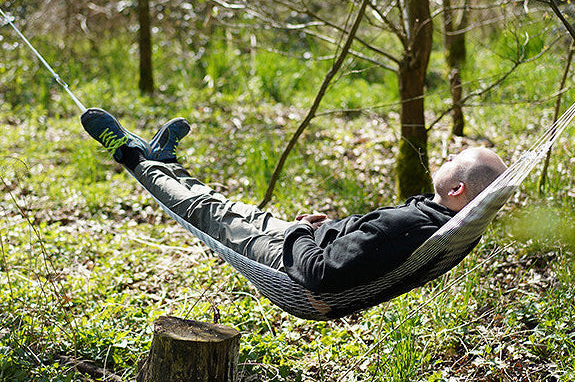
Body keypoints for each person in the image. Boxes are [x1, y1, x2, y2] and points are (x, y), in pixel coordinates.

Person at [81, 108, 507, 297]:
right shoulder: (440, 221)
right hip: (302, 240)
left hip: (287, 262)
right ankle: (166, 162)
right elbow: (358, 251)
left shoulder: (410, 227)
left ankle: (132, 156)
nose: (445, 158)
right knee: (219, 205)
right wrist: (323, 228)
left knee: (204, 213)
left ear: (458, 190)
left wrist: (302, 230)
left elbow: (320, 274)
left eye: (453, 162)